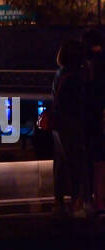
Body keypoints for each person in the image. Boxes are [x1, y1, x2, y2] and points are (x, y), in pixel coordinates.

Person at [52, 39, 91, 217]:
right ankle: (77, 203)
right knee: (76, 163)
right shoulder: (75, 77)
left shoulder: (60, 73)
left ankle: (58, 202)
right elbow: (80, 103)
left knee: (60, 164)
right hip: (71, 124)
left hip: (58, 124)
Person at [81, 29, 105, 214]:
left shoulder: (88, 66)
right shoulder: (98, 63)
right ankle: (99, 200)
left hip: (91, 119)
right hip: (98, 118)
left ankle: (94, 200)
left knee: (94, 161)